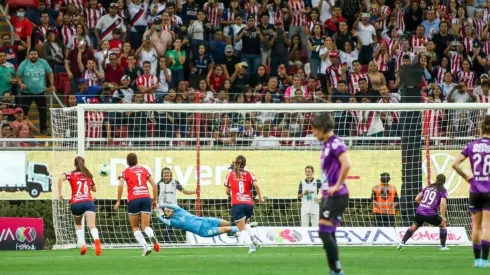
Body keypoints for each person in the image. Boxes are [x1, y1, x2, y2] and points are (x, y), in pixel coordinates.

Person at [311, 112, 351, 275]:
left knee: (324, 232)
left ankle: (337, 270)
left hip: (338, 195)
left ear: (322, 128)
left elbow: (347, 164)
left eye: (314, 129)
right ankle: (333, 270)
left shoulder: (335, 143)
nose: (313, 132)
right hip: (330, 196)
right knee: (329, 233)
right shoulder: (326, 145)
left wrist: (337, 185)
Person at [452, 114, 490, 268]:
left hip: (475, 189)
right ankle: (485, 260)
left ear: (480, 129)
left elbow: (455, 164)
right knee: (487, 226)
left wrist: (467, 178)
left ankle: (476, 261)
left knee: (477, 226)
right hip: (489, 189)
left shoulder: (471, 145)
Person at [114, 153, 160, 256]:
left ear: (127, 162)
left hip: (133, 198)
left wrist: (118, 201)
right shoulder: (144, 170)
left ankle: (146, 246)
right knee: (145, 226)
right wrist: (155, 200)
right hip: (145, 197)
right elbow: (154, 184)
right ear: (136, 161)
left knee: (135, 227)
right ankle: (152, 236)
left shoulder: (124, 172)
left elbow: (120, 185)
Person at [57, 156, 101, 256]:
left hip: (76, 203)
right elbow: (94, 189)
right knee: (92, 225)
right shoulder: (88, 175)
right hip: (88, 202)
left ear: (74, 164)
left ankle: (83, 245)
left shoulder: (70, 174)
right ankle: (97, 241)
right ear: (83, 164)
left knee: (78, 225)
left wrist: (60, 193)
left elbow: (60, 179)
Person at [397, 174, 448, 251]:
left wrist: (424, 206)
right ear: (444, 181)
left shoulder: (428, 187)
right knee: (443, 224)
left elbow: (417, 198)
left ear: (436, 179)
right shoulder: (442, 190)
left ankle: (402, 242)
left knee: (413, 227)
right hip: (430, 214)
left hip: (419, 212)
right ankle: (443, 246)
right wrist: (443, 216)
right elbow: (443, 203)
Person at [224, 155, 264, 253]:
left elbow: (226, 191)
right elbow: (256, 185)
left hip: (237, 203)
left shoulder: (230, 174)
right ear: (245, 164)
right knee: (245, 223)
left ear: (235, 163)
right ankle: (255, 241)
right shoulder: (250, 174)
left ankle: (250, 245)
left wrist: (231, 194)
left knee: (241, 228)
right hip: (249, 203)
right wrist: (260, 197)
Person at [16, 49, 54, 135]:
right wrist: (20, 83)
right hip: (26, 92)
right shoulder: (24, 63)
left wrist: (52, 84)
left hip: (41, 92)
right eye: (32, 54)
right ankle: (23, 129)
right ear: (28, 55)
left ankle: (43, 130)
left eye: (35, 54)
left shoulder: (43, 62)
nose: (33, 56)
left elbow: (50, 72)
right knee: (24, 112)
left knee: (43, 112)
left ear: (38, 55)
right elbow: (18, 76)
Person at [155, 203, 242, 237]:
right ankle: (245, 228)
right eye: (165, 212)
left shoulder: (179, 210)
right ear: (165, 215)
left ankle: (235, 232)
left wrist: (159, 205)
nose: (167, 210)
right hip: (204, 230)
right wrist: (157, 214)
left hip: (206, 221)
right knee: (227, 228)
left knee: (229, 223)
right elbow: (163, 221)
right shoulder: (173, 222)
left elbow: (171, 205)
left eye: (167, 209)